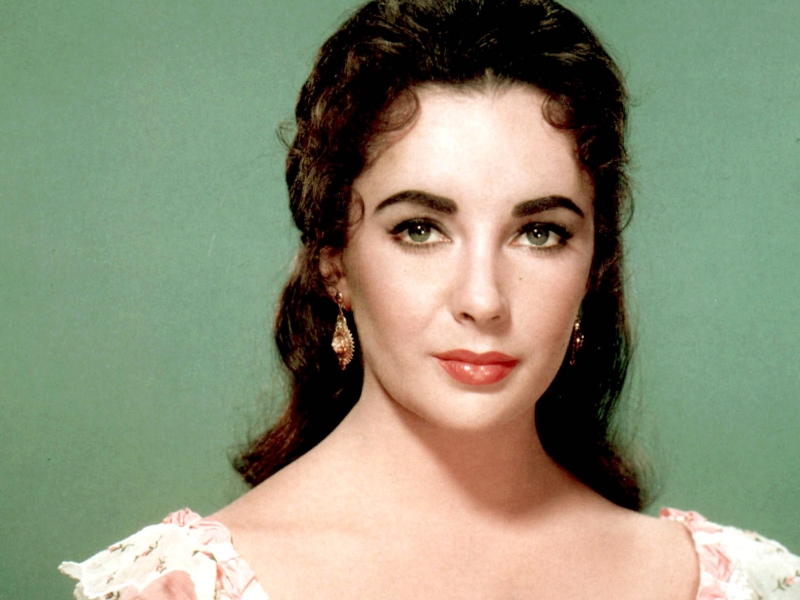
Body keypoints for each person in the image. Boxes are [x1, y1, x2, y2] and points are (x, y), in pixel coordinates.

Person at [60, 1, 800, 598]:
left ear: (594, 268)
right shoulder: (182, 591)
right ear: (333, 262)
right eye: (419, 229)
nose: (483, 299)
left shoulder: (740, 584)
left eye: (539, 233)